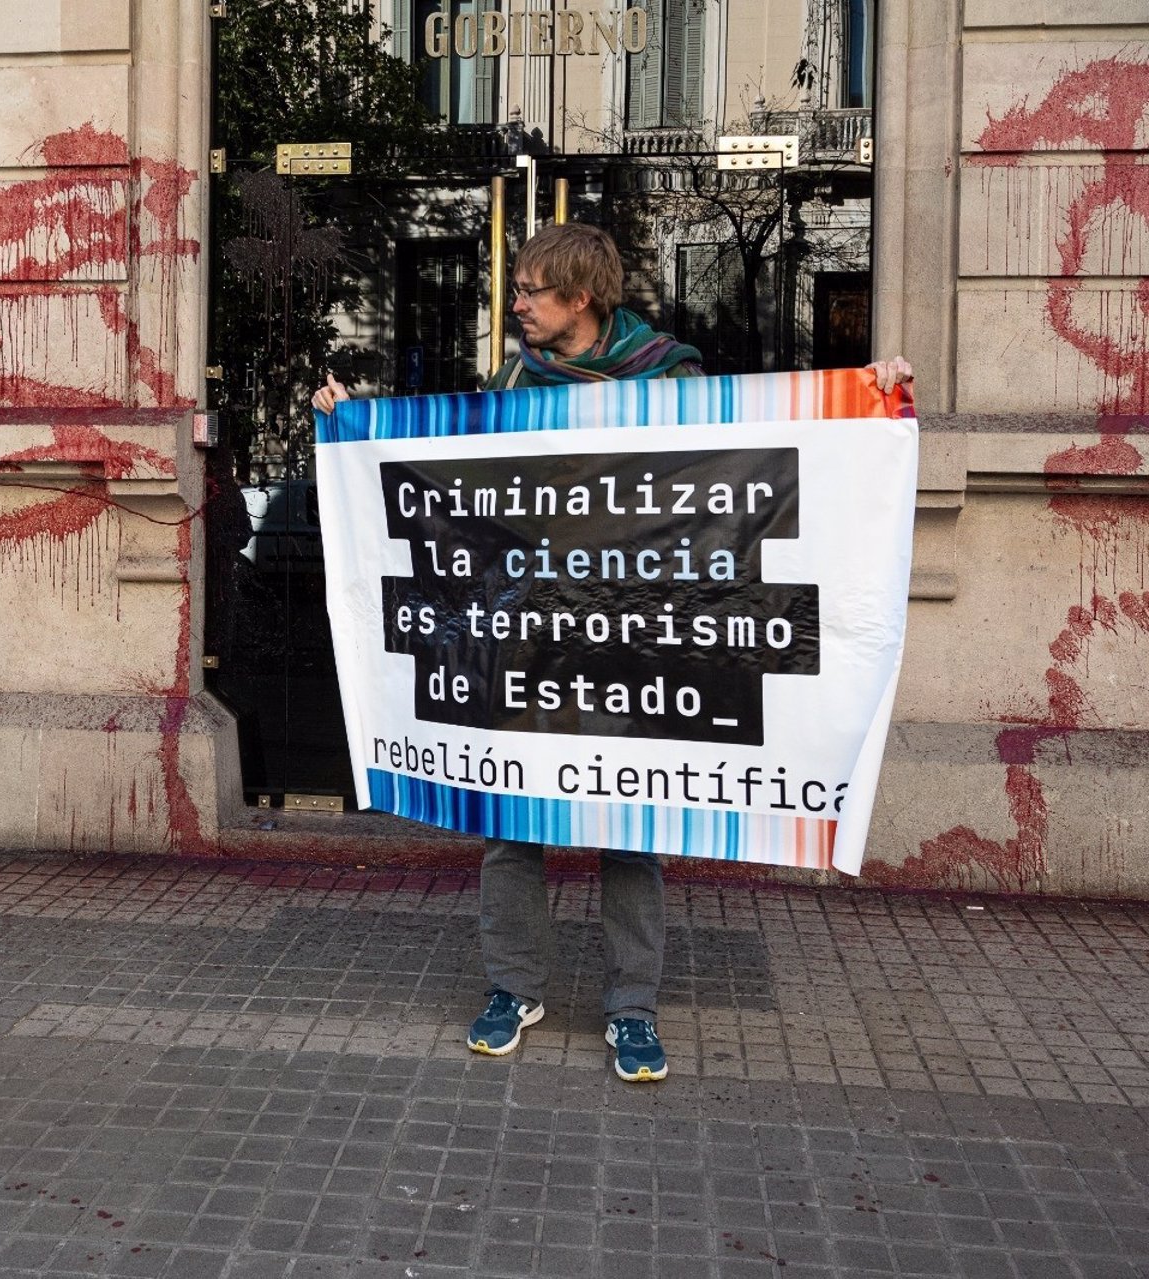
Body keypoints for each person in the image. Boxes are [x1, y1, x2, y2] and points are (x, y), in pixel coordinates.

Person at [314, 223, 910, 1082]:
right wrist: (354, 425)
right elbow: (459, 473)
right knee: (510, 820)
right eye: (516, 289)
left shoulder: (674, 375)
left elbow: (755, 455)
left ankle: (632, 1007)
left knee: (632, 828)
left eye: (530, 290)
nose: (514, 304)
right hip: (536, 639)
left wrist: (872, 397)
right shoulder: (515, 380)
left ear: (581, 297)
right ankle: (512, 988)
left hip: (638, 644)